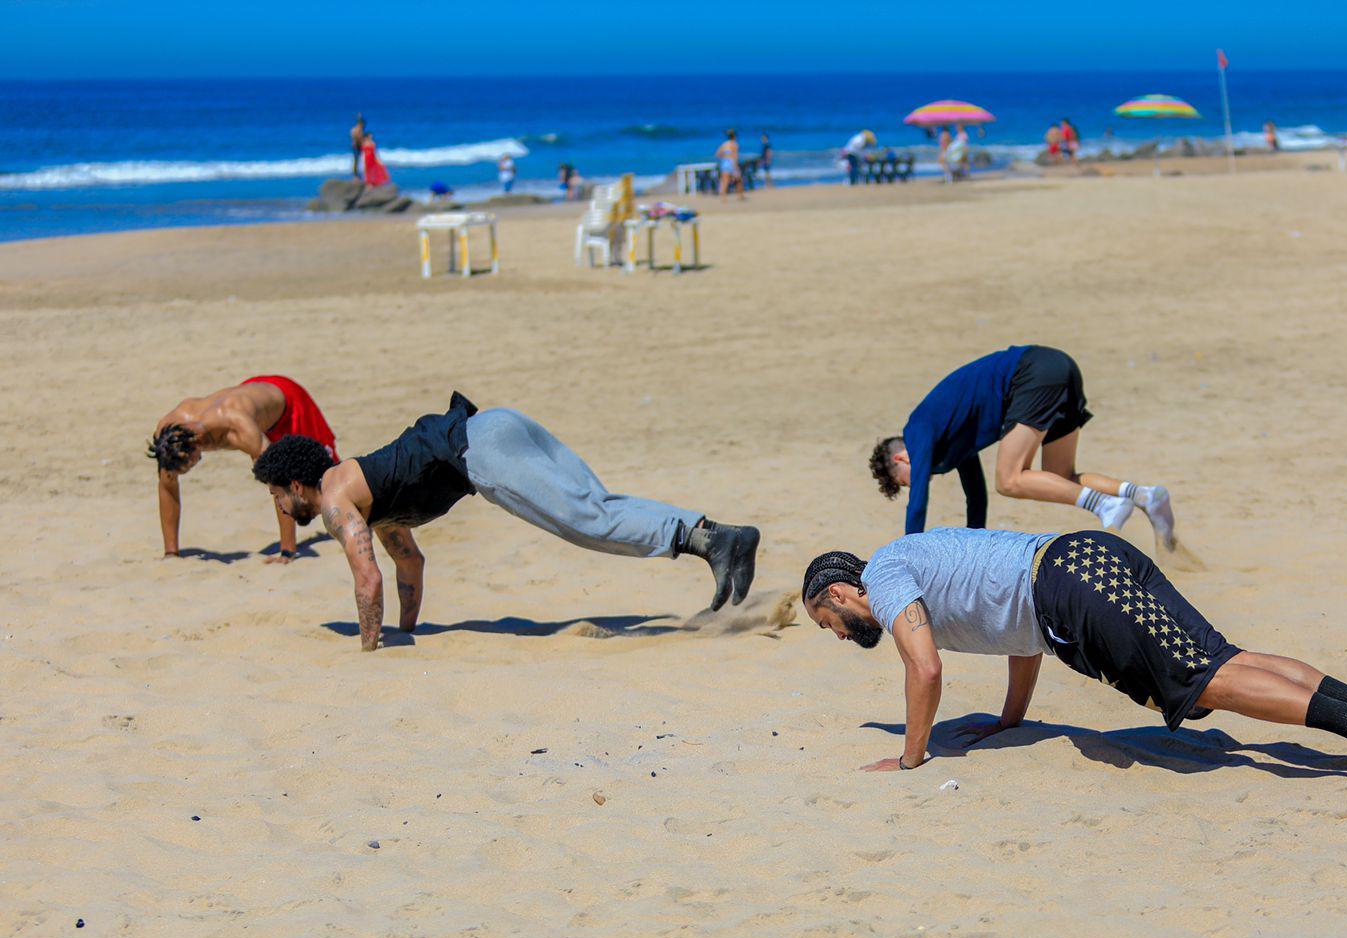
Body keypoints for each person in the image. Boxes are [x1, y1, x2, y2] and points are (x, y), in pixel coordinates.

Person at [800, 529, 1347, 780]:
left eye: (828, 621)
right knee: (1221, 657)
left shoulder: (884, 577)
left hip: (1070, 589)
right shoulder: (919, 557)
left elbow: (925, 667)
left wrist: (912, 757)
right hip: (1087, 555)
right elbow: (1024, 636)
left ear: (838, 591)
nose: (837, 634)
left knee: (1199, 681)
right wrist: (1011, 719)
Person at [252, 393, 761, 651]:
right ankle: (717, 536)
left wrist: (370, 648)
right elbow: (408, 563)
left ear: (297, 486)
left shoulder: (337, 503)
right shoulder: (366, 496)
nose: (280, 510)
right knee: (597, 504)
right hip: (495, 423)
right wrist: (409, 632)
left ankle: (710, 542)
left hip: (481, 450)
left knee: (588, 521)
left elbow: (368, 580)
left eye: (277, 497)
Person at [869, 344, 1176, 548]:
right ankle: (1144, 496)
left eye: (902, 481)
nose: (913, 483)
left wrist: (908, 553)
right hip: (1059, 367)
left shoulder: (918, 428)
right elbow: (975, 493)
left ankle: (1105, 505)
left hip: (1031, 373)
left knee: (1009, 480)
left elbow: (919, 499)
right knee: (1060, 477)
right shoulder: (949, 442)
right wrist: (977, 544)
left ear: (901, 457)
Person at [149, 377, 339, 562]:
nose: (189, 469)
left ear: (196, 445)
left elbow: (279, 481)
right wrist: (171, 554)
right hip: (251, 395)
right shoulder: (167, 436)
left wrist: (287, 551)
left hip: (289, 403)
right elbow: (167, 484)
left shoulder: (237, 429)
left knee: (328, 474)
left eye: (189, 465)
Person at [716, 129, 744, 199]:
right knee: (739, 180)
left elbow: (718, 154)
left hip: (724, 163)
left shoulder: (724, 144)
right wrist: (736, 166)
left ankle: (723, 197)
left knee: (725, 181)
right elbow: (735, 156)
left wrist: (725, 156)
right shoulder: (735, 144)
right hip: (731, 163)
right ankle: (740, 196)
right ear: (734, 136)